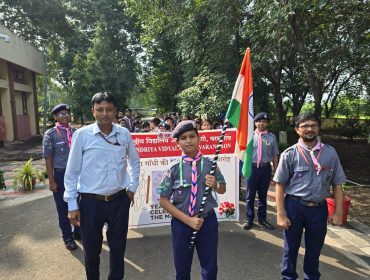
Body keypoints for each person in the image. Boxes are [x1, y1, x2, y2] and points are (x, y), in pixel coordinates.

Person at [64, 92, 140, 280]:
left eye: (109, 109)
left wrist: (132, 187)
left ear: (115, 111)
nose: (104, 114)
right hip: (90, 203)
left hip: (119, 201)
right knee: (91, 250)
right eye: (100, 110)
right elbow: (72, 172)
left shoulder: (123, 134)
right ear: (93, 111)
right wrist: (72, 204)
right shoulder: (81, 136)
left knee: (118, 248)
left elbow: (135, 162)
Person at [273, 112, 346, 280]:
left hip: (319, 209)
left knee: (314, 250)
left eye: (313, 125)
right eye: (305, 126)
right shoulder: (289, 154)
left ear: (318, 128)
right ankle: (288, 277)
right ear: (298, 130)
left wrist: (338, 212)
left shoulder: (330, 153)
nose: (310, 129)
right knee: (290, 249)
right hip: (294, 207)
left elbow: (337, 184)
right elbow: (280, 184)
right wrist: (280, 214)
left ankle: (311, 277)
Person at [158, 120, 226, 280]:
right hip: (182, 224)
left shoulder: (211, 164)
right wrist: (188, 220)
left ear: (199, 138)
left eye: (192, 136)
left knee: (210, 270)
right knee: (182, 271)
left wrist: (215, 184)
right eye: (183, 138)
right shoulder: (173, 169)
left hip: (207, 222)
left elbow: (223, 188)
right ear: (177, 143)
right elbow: (163, 200)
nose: (188, 140)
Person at [42, 104, 80, 250]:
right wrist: (51, 180)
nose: (65, 116)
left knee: (79, 203)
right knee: (63, 207)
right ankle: (67, 236)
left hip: (77, 174)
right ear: (55, 117)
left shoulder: (76, 132)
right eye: (62, 114)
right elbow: (48, 158)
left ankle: (78, 231)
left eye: (67, 113)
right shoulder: (50, 134)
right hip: (61, 174)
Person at [243, 112, 279, 230]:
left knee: (263, 196)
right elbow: (242, 152)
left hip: (265, 169)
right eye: (259, 121)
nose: (261, 123)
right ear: (255, 123)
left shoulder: (271, 137)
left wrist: (276, 172)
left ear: (267, 123)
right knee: (250, 195)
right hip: (252, 168)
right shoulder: (249, 136)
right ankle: (249, 218)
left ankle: (262, 219)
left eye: (264, 121)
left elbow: (275, 155)